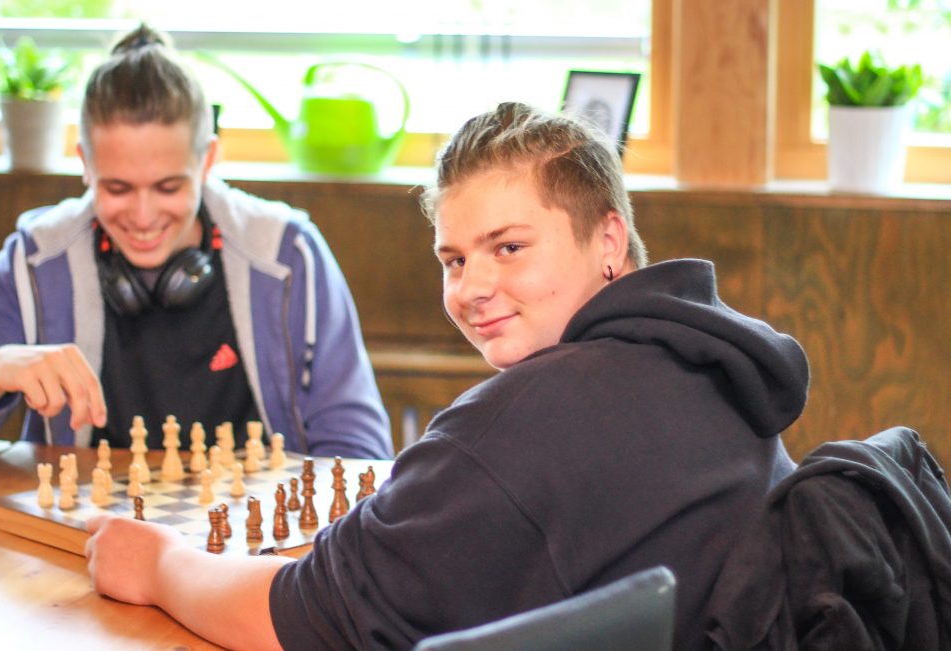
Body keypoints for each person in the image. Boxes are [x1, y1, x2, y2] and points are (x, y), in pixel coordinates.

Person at [84, 102, 810, 650]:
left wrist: (160, 563)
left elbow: (305, 616)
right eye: (454, 259)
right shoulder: (702, 359)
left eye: (509, 246)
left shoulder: (516, 424)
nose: (471, 288)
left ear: (608, 238)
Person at [0, 24, 393, 466]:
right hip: (82, 537)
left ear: (208, 158)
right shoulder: (33, 259)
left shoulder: (288, 254)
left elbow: (359, 454)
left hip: (254, 545)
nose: (144, 217)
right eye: (117, 189)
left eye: (169, 188)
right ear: (85, 165)